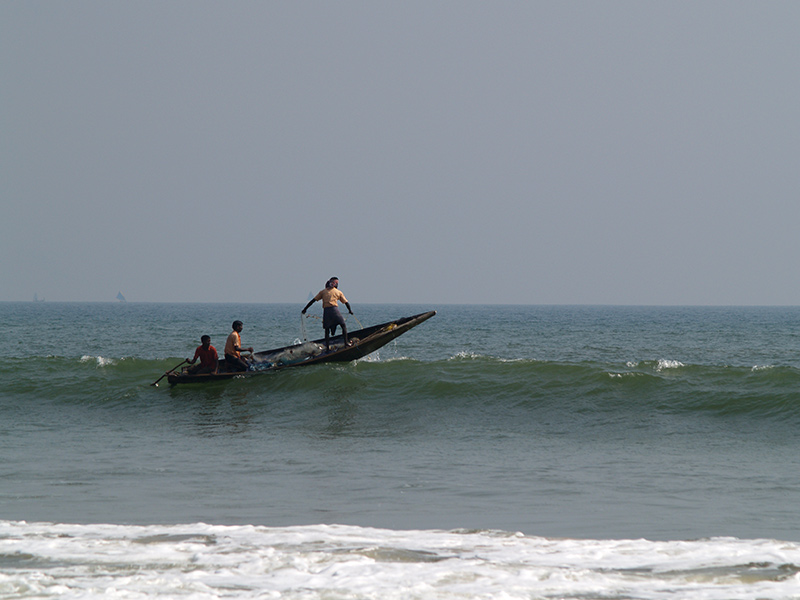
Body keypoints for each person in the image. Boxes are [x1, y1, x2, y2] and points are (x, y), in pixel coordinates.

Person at [302, 276, 353, 350]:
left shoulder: (323, 292)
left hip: (326, 312)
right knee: (343, 325)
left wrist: (305, 309)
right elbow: (346, 303)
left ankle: (327, 348)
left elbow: (313, 301)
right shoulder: (338, 292)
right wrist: (350, 311)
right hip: (335, 311)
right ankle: (346, 343)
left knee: (327, 330)